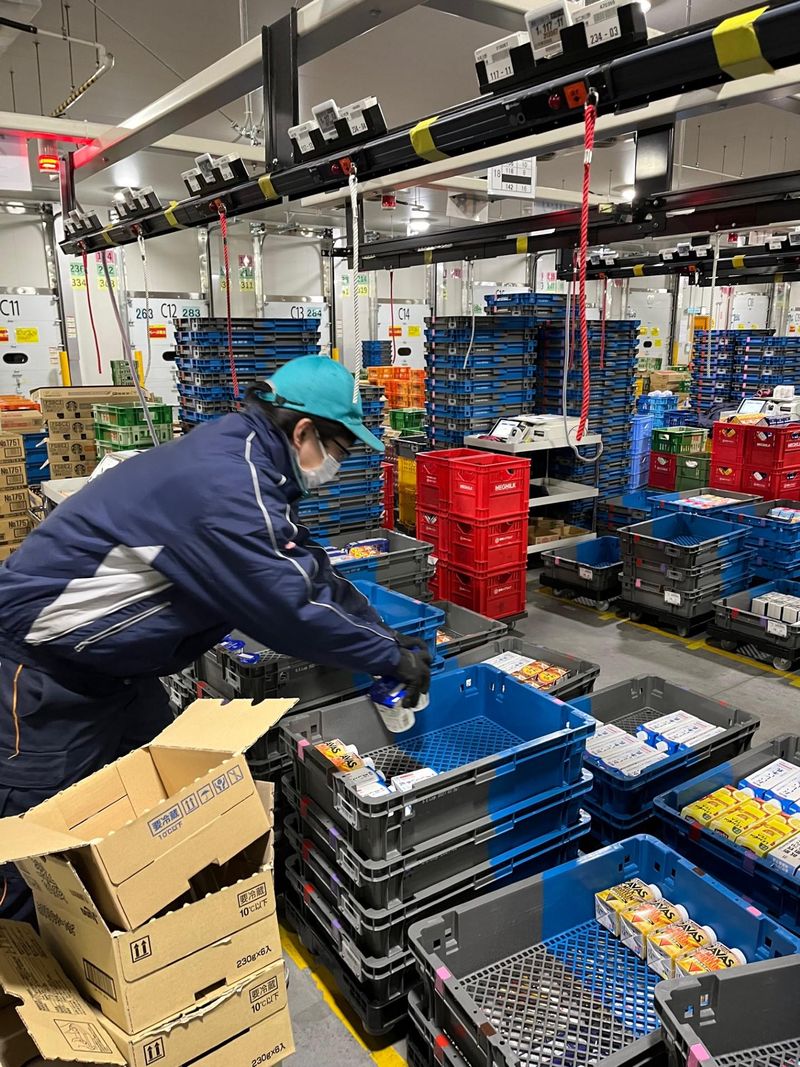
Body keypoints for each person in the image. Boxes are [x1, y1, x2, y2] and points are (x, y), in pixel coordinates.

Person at [0, 356, 431, 920]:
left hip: (119, 674)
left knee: (163, 805)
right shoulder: (225, 482)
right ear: (303, 432)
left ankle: (149, 934)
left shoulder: (247, 464)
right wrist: (388, 657)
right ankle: (27, 964)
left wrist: (387, 639)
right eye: (339, 450)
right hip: (40, 675)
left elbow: (306, 570)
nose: (337, 466)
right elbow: (289, 608)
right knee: (35, 848)